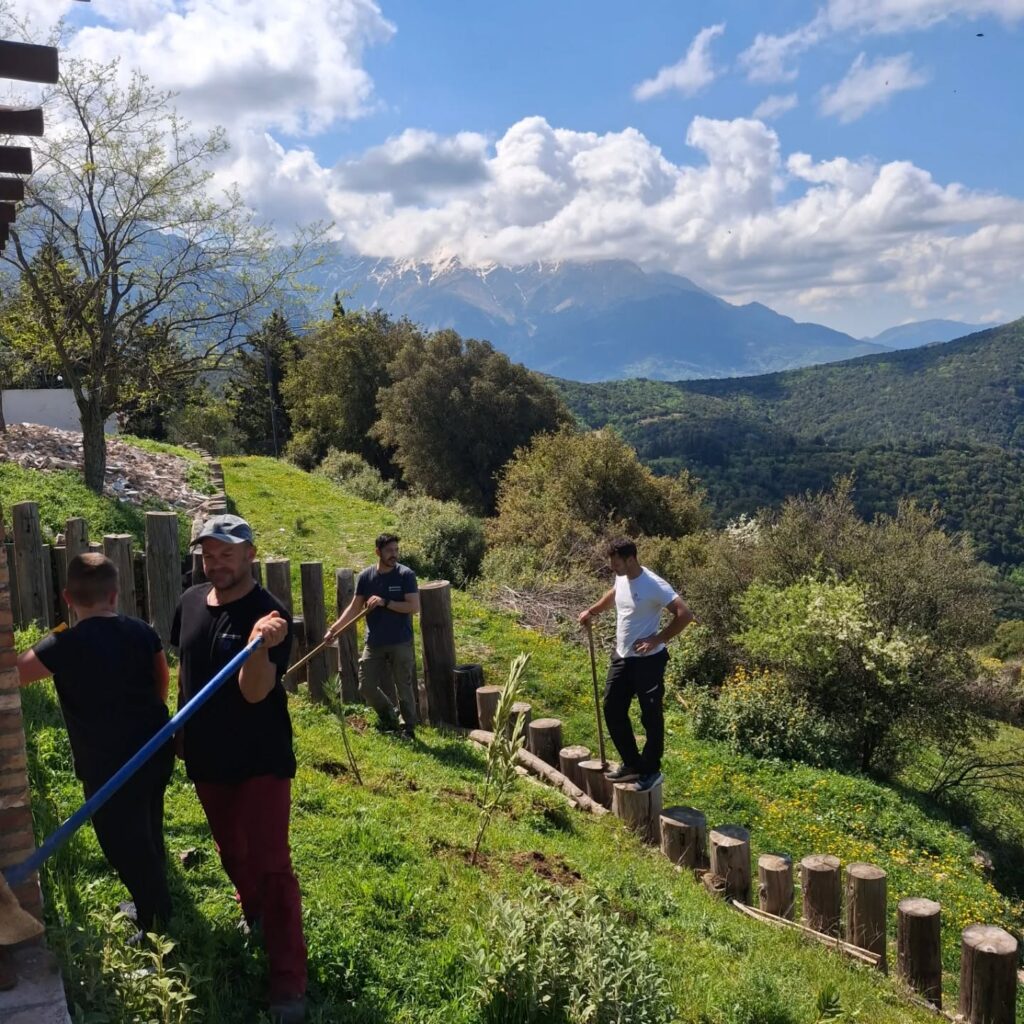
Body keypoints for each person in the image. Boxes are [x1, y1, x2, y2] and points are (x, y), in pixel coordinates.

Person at [171, 514, 306, 1024]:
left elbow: (254, 693)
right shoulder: (188, 601)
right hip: (207, 757)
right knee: (231, 850)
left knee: (272, 864)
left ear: (251, 554)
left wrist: (258, 642)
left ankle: (288, 982)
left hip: (260, 760)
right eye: (208, 553)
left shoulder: (270, 615)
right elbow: (186, 665)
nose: (216, 562)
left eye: (227, 553)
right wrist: (180, 729)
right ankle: (252, 912)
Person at [17, 553, 174, 940]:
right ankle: (153, 897)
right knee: (148, 823)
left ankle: (155, 918)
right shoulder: (142, 631)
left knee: (121, 841)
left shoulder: (63, 644)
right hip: (154, 747)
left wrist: (49, 639)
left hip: (107, 763)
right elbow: (162, 679)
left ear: (68, 598)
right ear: (115, 594)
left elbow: (16, 673)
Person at [578, 538, 694, 792]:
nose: (613, 569)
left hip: (648, 662)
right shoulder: (622, 577)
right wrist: (592, 612)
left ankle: (651, 770)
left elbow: (685, 614)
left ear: (631, 559)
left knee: (650, 716)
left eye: (617, 564)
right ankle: (632, 764)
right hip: (622, 656)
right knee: (612, 708)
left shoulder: (653, 584)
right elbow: (615, 595)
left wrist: (657, 639)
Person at [326, 532, 420, 739]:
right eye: (389, 551)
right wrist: (333, 629)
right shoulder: (366, 577)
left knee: (403, 686)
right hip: (375, 642)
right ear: (377, 552)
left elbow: (413, 607)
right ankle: (389, 715)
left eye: (396, 550)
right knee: (366, 686)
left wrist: (386, 602)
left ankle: (409, 727)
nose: (393, 555)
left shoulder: (406, 575)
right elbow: (354, 608)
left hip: (400, 641)